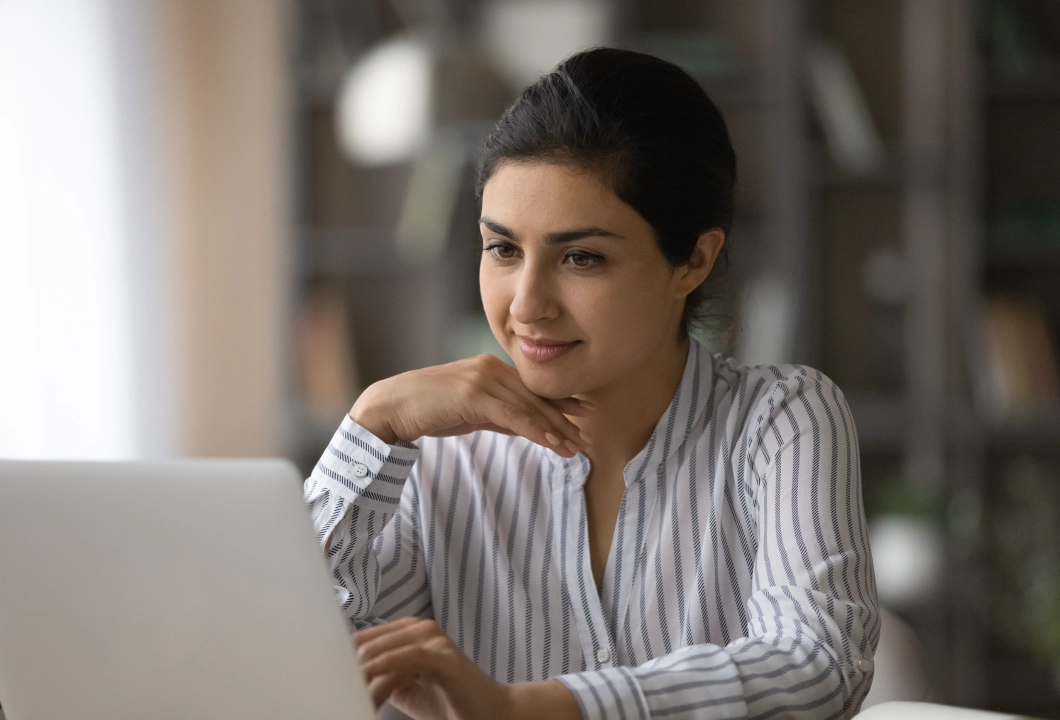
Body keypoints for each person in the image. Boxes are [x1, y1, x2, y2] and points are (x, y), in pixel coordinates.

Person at [303, 46, 879, 720]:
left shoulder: (783, 419)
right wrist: (372, 422)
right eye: (503, 249)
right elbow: (305, 654)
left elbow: (817, 662)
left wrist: (540, 708)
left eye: (581, 257)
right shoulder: (434, 454)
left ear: (693, 259)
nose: (525, 304)